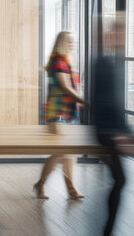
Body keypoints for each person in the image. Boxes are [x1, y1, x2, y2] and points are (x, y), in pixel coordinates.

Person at [92, 13, 133, 236]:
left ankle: (108, 231)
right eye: (117, 31)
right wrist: (118, 134)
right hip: (107, 131)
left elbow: (115, 102)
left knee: (121, 181)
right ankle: (107, 232)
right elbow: (103, 101)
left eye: (123, 31)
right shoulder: (103, 62)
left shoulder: (114, 61)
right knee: (121, 180)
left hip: (115, 129)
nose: (121, 35)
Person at [33, 31, 86, 200]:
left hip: (70, 112)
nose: (73, 44)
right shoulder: (58, 61)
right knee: (60, 152)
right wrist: (84, 100)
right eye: (69, 41)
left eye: (74, 41)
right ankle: (41, 184)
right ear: (62, 42)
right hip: (59, 114)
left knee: (70, 153)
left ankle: (70, 188)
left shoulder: (67, 61)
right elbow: (65, 87)